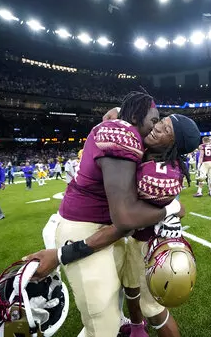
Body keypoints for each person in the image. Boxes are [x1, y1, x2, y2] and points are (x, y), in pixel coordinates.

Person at [25, 92, 187, 337]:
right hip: (84, 227)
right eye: (154, 121)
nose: (155, 127)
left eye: (161, 125)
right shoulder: (124, 134)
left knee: (109, 310)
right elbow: (125, 219)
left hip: (97, 227)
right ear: (134, 117)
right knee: (105, 327)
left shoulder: (127, 132)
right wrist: (171, 208)